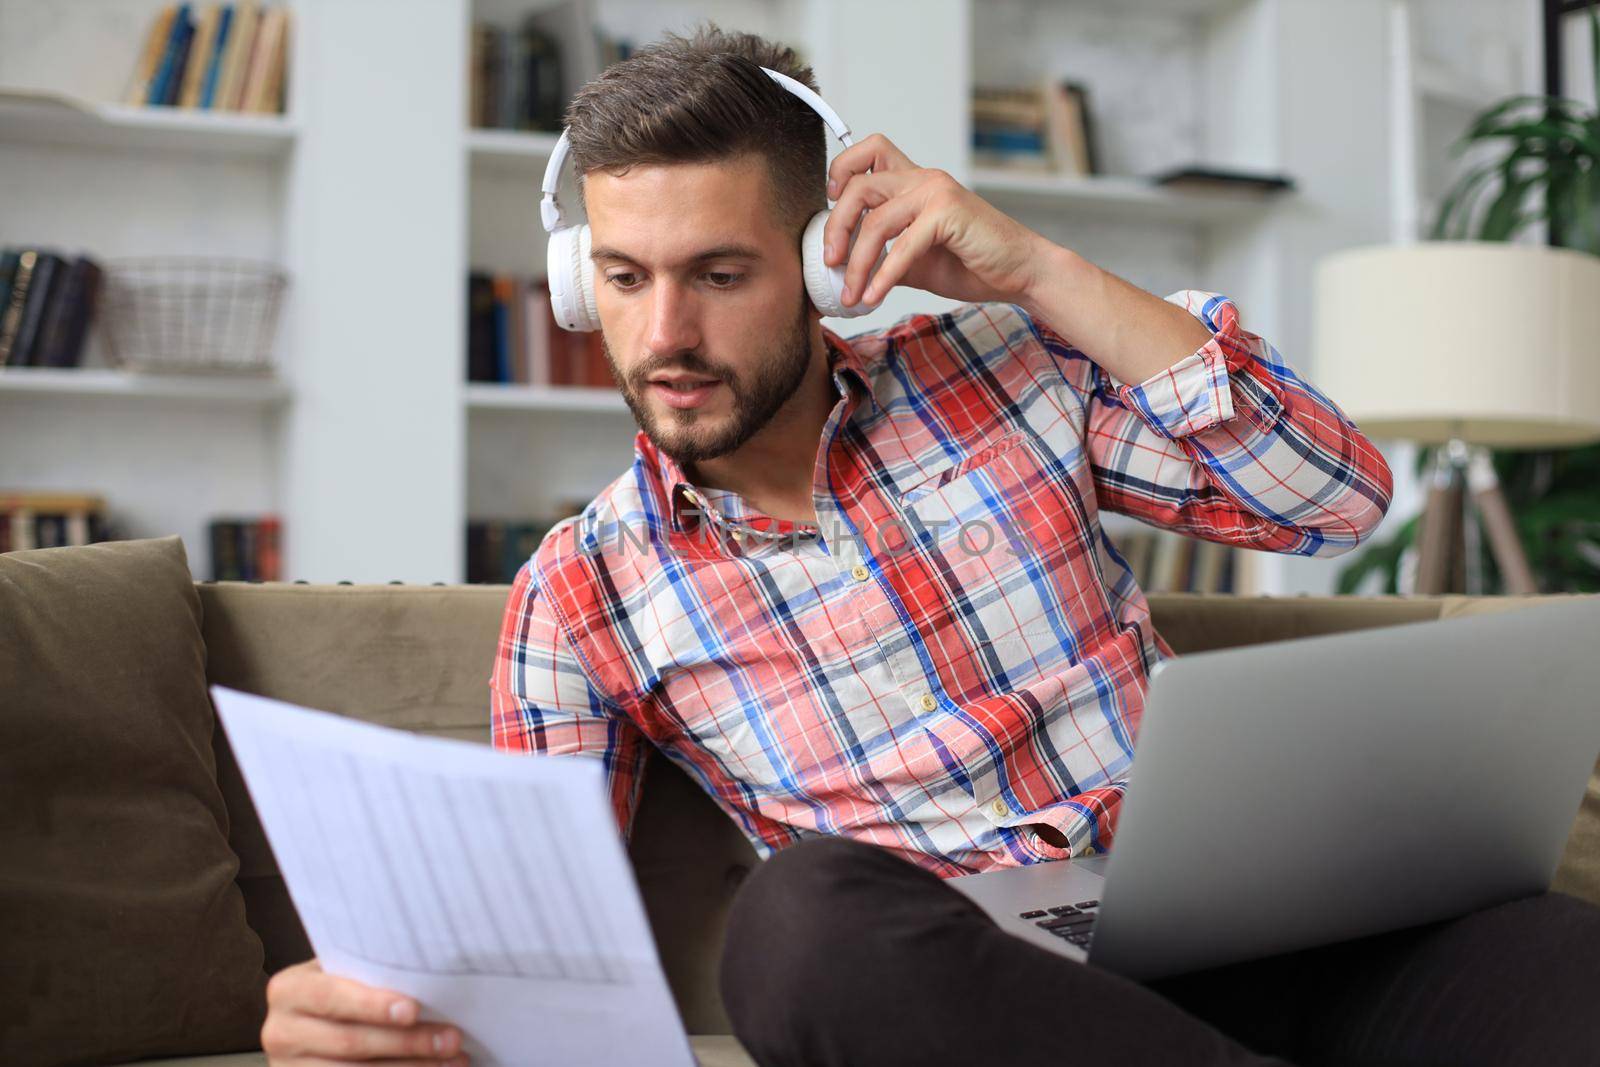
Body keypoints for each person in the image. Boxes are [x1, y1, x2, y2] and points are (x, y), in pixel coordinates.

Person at [258, 25, 1600, 1067]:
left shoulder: (1009, 375)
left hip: (1242, 928)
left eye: (719, 275)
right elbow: (532, 942)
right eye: (622, 278)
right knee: (798, 931)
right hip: (975, 1000)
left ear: (827, 263)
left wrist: (1039, 272)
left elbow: (1332, 499)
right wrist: (367, 1010)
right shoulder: (584, 594)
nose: (663, 334)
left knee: (1552, 957)